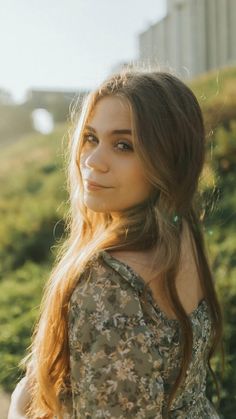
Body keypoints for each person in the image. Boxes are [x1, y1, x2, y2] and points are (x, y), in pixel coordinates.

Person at [8, 69, 224, 419]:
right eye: (91, 138)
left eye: (123, 146)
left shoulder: (108, 284)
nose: (93, 161)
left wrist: (18, 410)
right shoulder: (183, 233)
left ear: (167, 160)